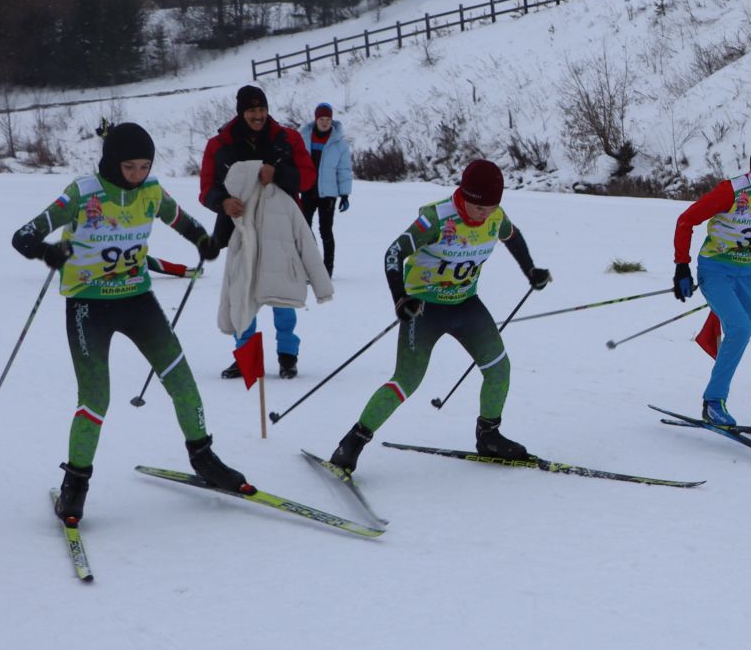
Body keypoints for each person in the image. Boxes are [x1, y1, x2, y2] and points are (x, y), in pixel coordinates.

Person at [10, 122, 248, 524]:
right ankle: (76, 482)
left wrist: (203, 241)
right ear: (110, 163)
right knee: (96, 399)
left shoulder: (151, 191)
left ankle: (204, 457)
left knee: (182, 382)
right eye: (129, 167)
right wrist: (47, 252)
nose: (137, 175)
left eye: (144, 166)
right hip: (89, 306)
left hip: (138, 300)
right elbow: (23, 236)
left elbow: (182, 220)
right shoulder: (82, 193)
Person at [327, 159, 551, 472]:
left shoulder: (495, 216)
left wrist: (531, 270)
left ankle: (489, 435)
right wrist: (401, 299)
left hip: (466, 304)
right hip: (424, 308)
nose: (485, 214)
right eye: (479, 207)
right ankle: (351, 442)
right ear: (465, 196)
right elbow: (394, 253)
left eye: (491, 207)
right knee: (407, 380)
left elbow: (511, 235)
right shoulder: (436, 218)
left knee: (499, 369)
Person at [671, 133, 751, 431]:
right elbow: (686, 220)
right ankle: (713, 402)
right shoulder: (733, 190)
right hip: (716, 270)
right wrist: (682, 267)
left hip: (750, 273)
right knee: (739, 329)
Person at [202, 85, 315, 379]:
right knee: (244, 292)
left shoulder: (287, 138)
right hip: (240, 228)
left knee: (282, 294)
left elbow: (307, 177)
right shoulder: (220, 144)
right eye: (252, 110)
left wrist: (277, 174)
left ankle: (288, 356)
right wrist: (223, 202)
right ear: (241, 112)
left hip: (281, 228)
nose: (258, 115)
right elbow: (207, 188)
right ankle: (245, 357)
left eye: (262, 109)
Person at [301, 101, 352, 276]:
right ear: (316, 120)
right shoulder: (304, 138)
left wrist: (344, 194)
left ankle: (327, 269)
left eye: (328, 119)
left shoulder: (339, 144)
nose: (324, 122)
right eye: (321, 119)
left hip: (328, 194)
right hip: (307, 190)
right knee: (304, 229)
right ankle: (312, 264)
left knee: (325, 230)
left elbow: (344, 170)